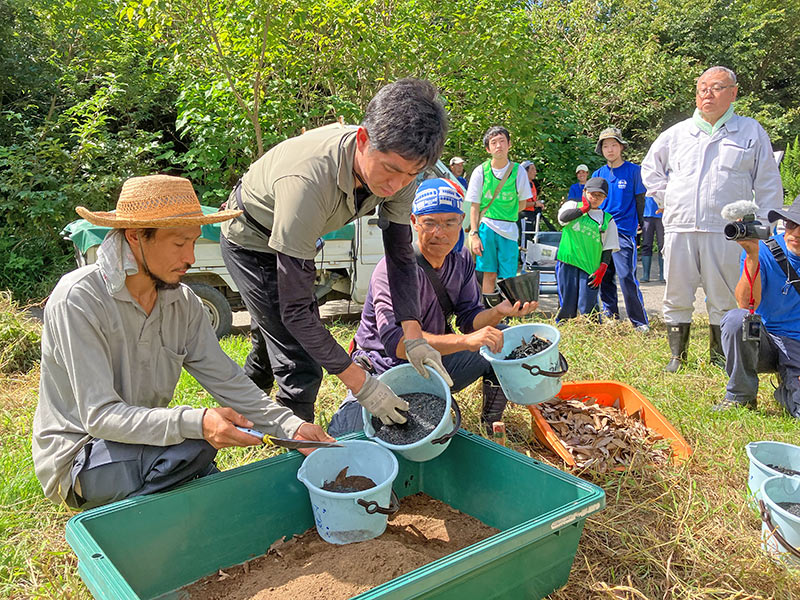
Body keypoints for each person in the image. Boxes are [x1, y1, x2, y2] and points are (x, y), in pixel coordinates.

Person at [32, 175, 334, 510]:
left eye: (193, 242)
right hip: (81, 454)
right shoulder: (78, 299)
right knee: (195, 446)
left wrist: (291, 426)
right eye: (178, 244)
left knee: (206, 473)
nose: (190, 257)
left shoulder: (183, 303)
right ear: (135, 236)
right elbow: (100, 417)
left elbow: (228, 381)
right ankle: (134, 522)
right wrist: (196, 421)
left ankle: (181, 495)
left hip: (144, 443)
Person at [219, 78, 452, 424]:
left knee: (272, 341)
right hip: (252, 240)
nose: (396, 185)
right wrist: (363, 385)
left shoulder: (401, 169)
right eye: (390, 170)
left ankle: (239, 414)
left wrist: (414, 337)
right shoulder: (308, 183)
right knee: (299, 361)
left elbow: (401, 257)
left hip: (297, 237)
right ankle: (298, 445)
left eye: (410, 175)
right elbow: (296, 312)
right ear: (363, 139)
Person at [327, 178, 537, 436]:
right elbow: (398, 344)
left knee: (499, 337)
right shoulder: (391, 270)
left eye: (449, 222)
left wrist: (497, 312)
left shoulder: (461, 259)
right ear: (414, 222)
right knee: (346, 436)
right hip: (386, 370)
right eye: (430, 223)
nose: (440, 232)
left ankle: (491, 425)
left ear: (461, 221)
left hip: (433, 361)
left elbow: (469, 319)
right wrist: (466, 342)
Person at [642, 66, 783, 371]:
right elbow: (650, 169)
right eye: (702, 88)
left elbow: (768, 181)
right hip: (680, 226)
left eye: (716, 87)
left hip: (727, 230)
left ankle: (720, 356)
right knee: (676, 291)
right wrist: (667, 199)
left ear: (733, 93)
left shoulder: (750, 131)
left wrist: (764, 225)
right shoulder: (677, 133)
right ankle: (677, 356)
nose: (708, 93)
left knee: (724, 295)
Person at [714, 196, 800, 416]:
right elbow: (745, 304)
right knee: (737, 320)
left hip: (797, 343)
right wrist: (752, 255)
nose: (796, 233)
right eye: (792, 224)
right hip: (764, 340)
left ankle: (787, 390)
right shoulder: (764, 249)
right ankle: (740, 396)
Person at [467, 126, 533, 307]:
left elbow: (522, 203)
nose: (498, 146)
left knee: (509, 275)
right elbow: (474, 205)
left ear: (509, 144)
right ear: (488, 149)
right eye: (493, 142)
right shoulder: (481, 171)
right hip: (486, 227)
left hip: (509, 229)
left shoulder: (518, 171)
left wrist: (506, 214)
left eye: (502, 141)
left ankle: (509, 311)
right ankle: (488, 312)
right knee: (488, 273)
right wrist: (474, 234)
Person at [592, 127, 649, 331]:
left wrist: (642, 226)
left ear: (621, 147)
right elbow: (591, 204)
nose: (610, 149)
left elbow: (640, 200)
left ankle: (639, 321)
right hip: (600, 232)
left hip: (624, 230)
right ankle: (611, 316)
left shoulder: (634, 171)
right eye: (605, 146)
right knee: (604, 276)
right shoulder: (598, 174)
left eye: (613, 145)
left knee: (626, 276)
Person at [555, 177, 620, 321]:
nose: (595, 198)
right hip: (568, 262)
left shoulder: (607, 219)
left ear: (605, 198)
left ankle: (591, 329)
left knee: (588, 306)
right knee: (567, 303)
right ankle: (563, 328)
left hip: (590, 267)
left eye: (600, 195)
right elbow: (563, 219)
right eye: (592, 194)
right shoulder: (572, 205)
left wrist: (603, 267)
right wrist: (583, 209)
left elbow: (608, 247)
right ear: (584, 191)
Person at [640, 196, 664, 282]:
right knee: (646, 244)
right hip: (647, 214)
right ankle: (645, 274)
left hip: (662, 214)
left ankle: (663, 274)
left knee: (662, 245)